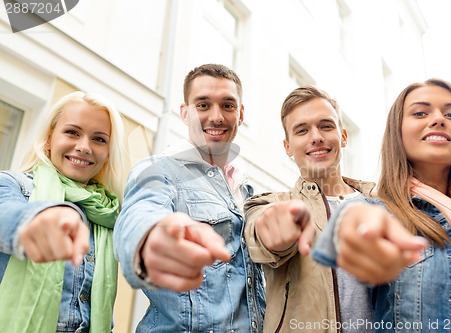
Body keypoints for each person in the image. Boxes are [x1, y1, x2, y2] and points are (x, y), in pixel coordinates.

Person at [313, 78, 451, 333]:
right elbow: (351, 221)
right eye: (420, 112)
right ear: (397, 132)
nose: (438, 119)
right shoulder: (378, 211)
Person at [243, 85, 426, 333]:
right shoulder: (270, 204)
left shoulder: (388, 202)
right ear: (288, 147)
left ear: (343, 136)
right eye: (302, 130)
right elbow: (261, 231)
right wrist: (275, 227)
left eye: (326, 126)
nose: (316, 137)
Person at [114, 63, 265, 332]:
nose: (216, 116)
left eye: (227, 105)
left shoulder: (246, 191)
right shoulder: (158, 169)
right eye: (203, 105)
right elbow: (140, 215)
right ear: (185, 113)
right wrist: (149, 239)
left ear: (240, 114)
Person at [0, 91, 125, 333]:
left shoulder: (110, 213)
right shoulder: (13, 185)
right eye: (72, 132)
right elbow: (5, 214)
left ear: (108, 152)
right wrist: (39, 219)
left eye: (99, 139)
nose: (83, 147)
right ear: (49, 138)